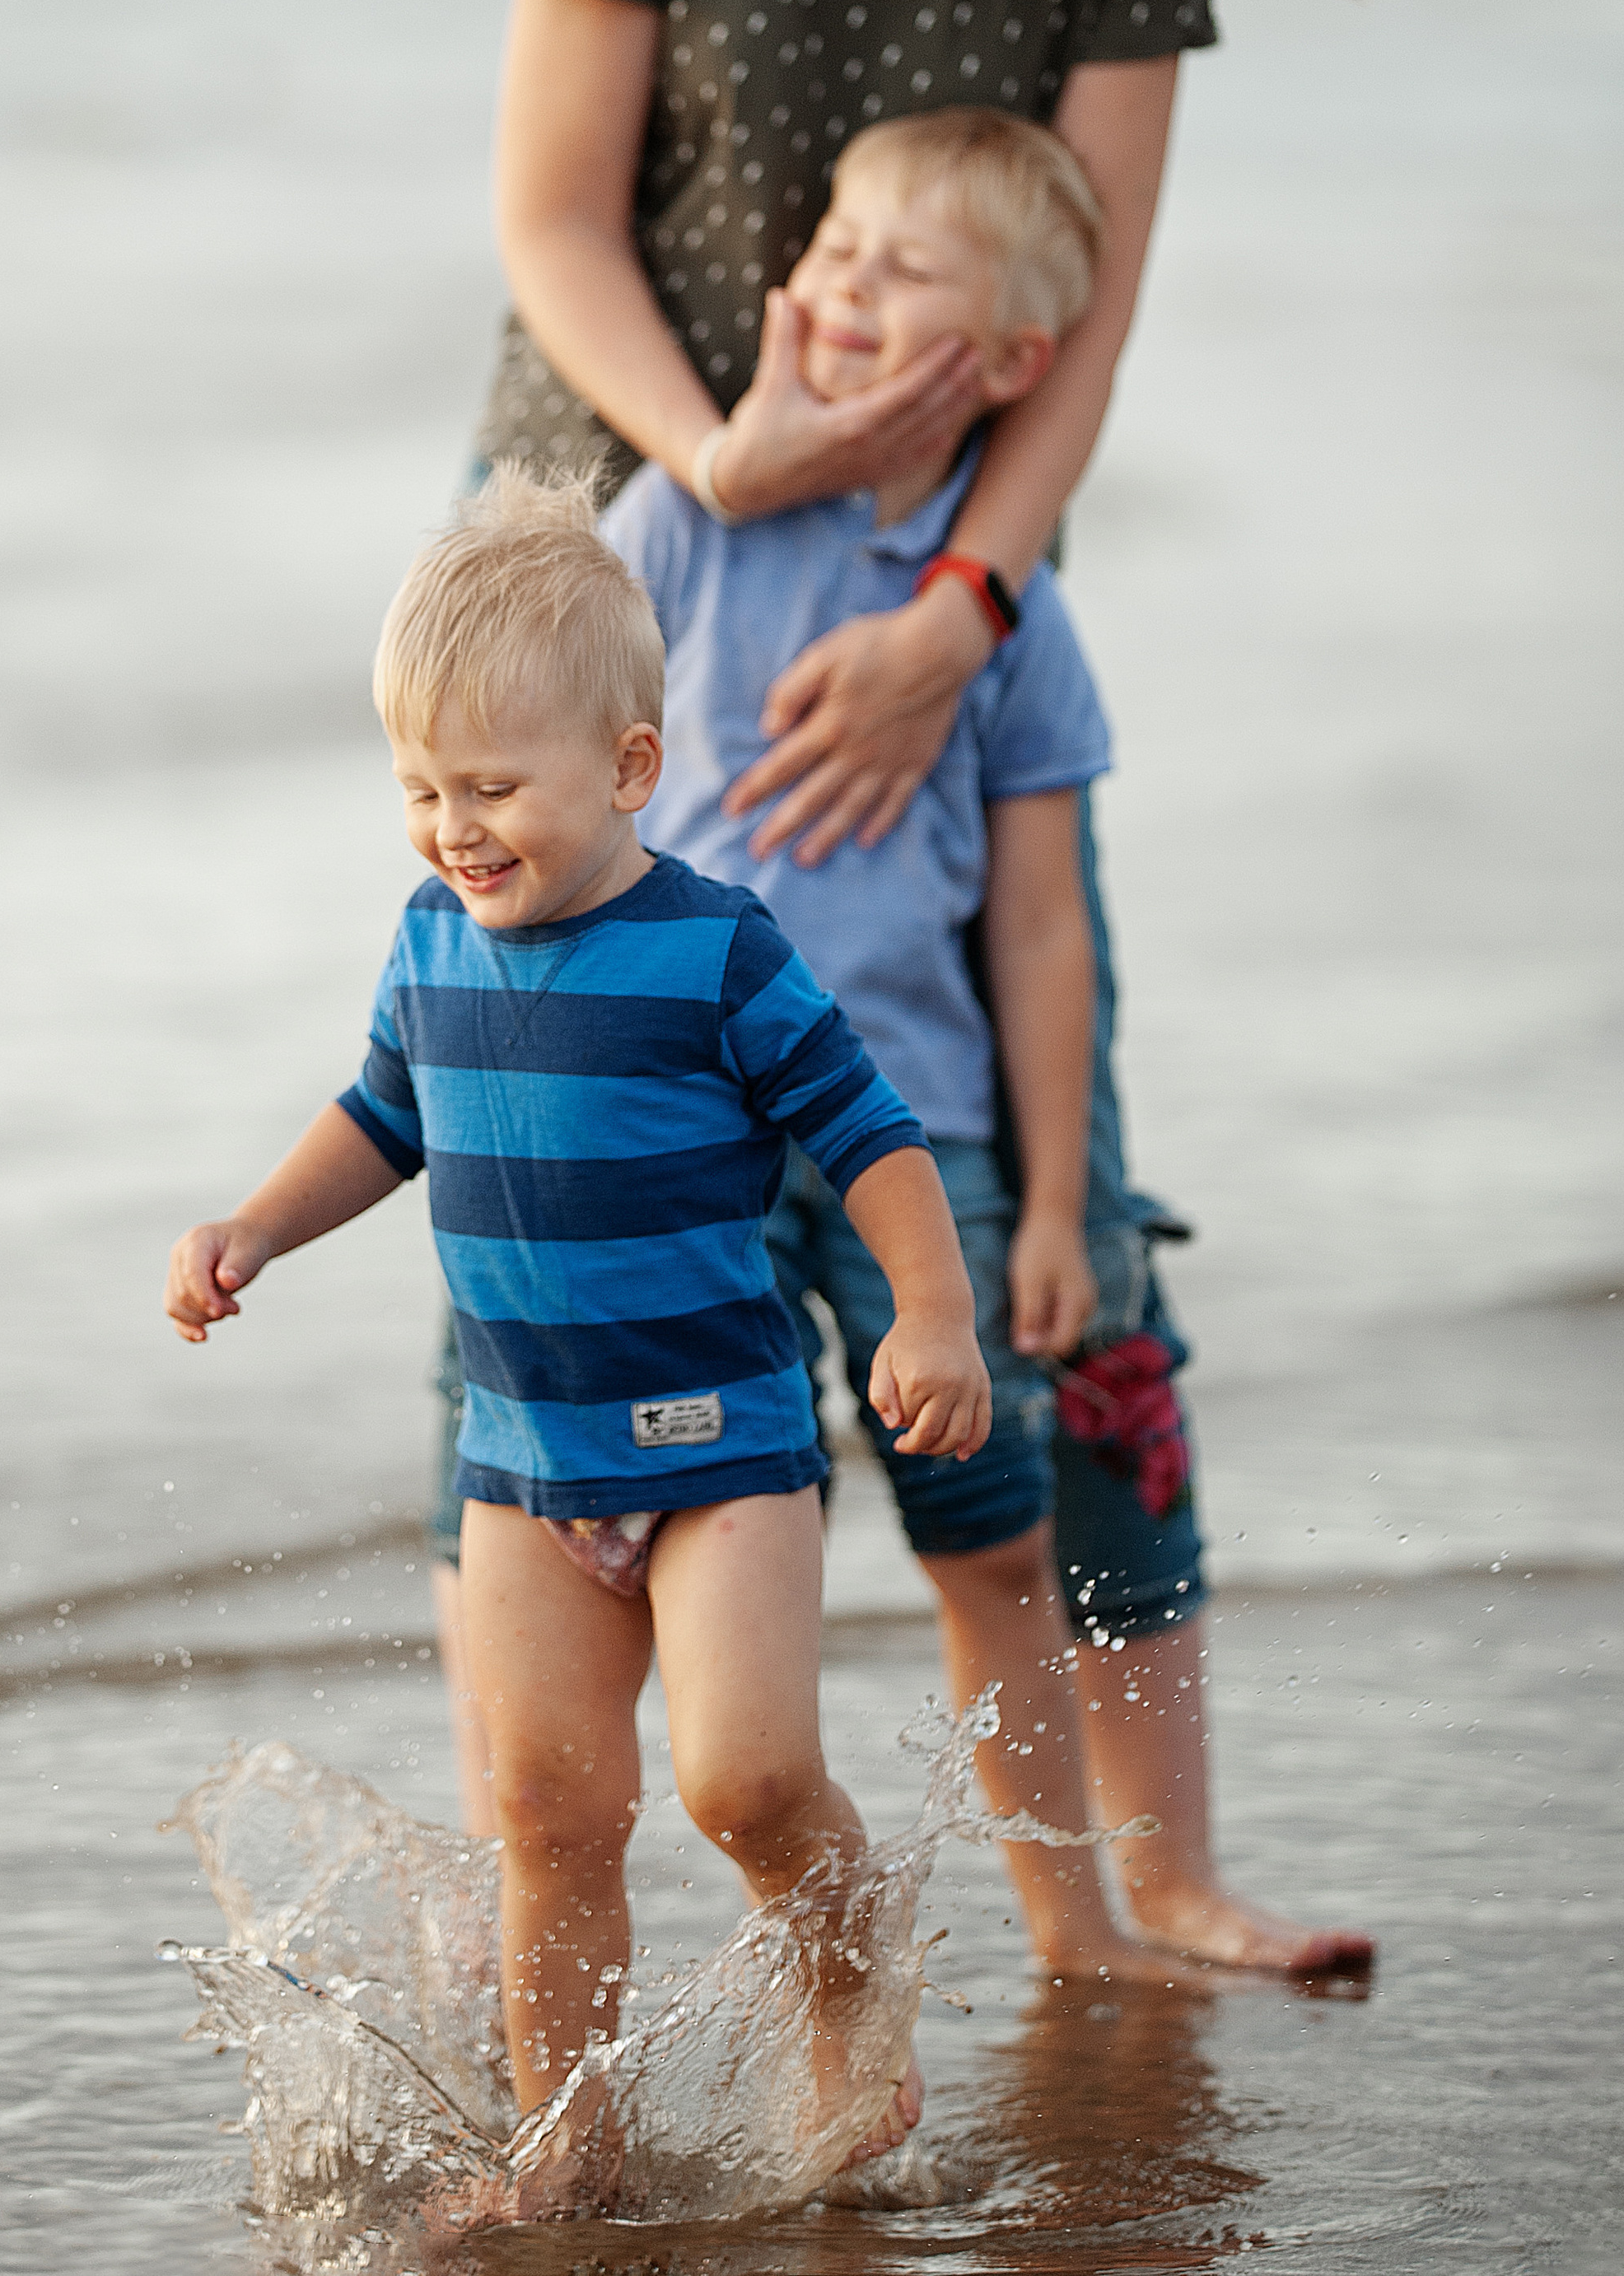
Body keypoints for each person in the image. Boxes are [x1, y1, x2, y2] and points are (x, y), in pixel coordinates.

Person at [436, 0, 1422, 1973]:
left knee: (1025, 1187)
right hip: (621, 553)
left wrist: (964, 603)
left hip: (950, 574)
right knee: (574, 1211)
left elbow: (1084, 316)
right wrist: (721, 469)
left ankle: (1159, 1875)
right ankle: (545, 1896)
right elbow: (550, 217)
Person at [163, 473, 993, 2177]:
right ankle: (571, 2133)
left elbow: (869, 1136)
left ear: (626, 768)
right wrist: (256, 1221)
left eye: (489, 787)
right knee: (549, 1816)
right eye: (416, 788)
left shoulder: (714, 953)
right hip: (523, 1458)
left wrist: (930, 1313)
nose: (451, 827)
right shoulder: (425, 941)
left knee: (746, 1784)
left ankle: (852, 2007)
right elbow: (381, 1120)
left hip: (721, 1449)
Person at [605, 100, 1190, 1982]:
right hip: (681, 1137)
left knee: (987, 1542)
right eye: (831, 244)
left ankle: (1070, 1925)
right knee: (652, 1536)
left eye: (899, 265)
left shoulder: (1003, 621)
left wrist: (1039, 1204)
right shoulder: (681, 529)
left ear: (1013, 358)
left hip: (911, 1150)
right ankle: (699, 1922)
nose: (839, 278)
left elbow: (1037, 927)